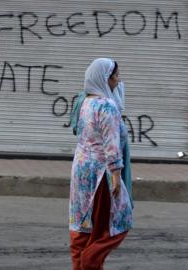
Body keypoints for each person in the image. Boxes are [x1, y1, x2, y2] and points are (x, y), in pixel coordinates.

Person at [68, 58, 134, 270]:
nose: (118, 80)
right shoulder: (107, 106)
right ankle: (91, 261)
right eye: (115, 76)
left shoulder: (84, 102)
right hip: (101, 175)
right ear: (105, 78)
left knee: (83, 226)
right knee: (116, 223)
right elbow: (111, 143)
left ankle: (82, 263)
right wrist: (116, 175)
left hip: (81, 170)